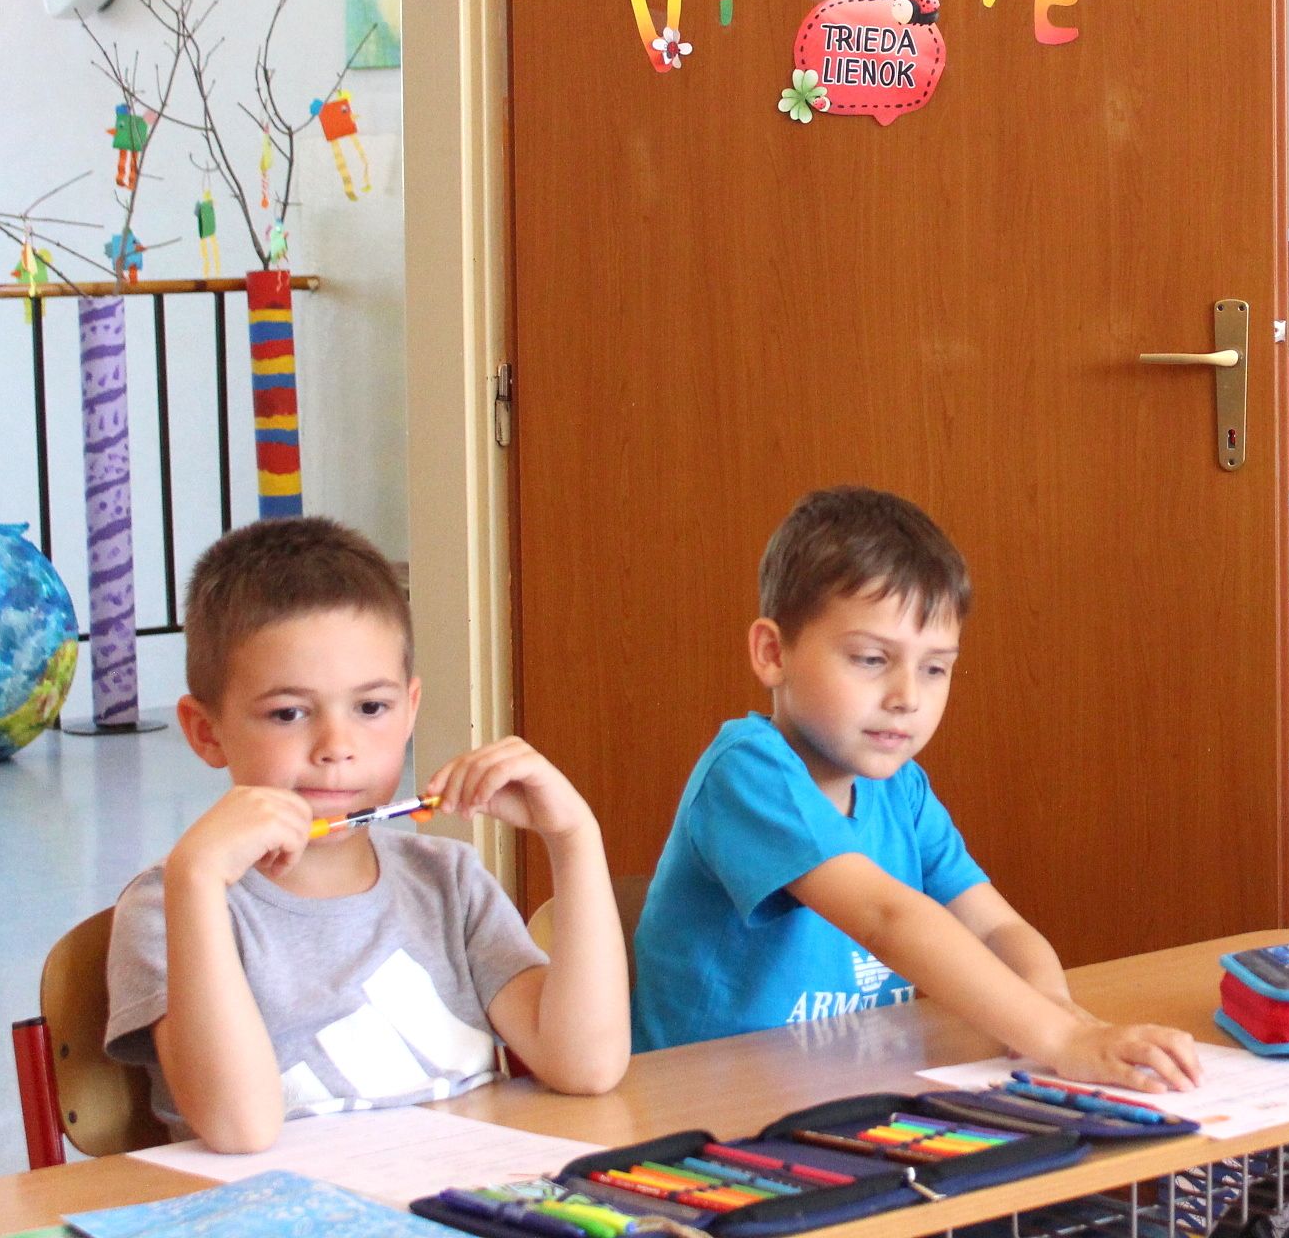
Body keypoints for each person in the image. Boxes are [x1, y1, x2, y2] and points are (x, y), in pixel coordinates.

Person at [635, 485, 1202, 1092]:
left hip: (845, 1093)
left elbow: (996, 929)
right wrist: (1060, 1041)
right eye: (871, 659)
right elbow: (885, 916)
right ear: (773, 653)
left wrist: (1053, 1009)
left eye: (934, 668)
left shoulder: (900, 789)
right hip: (708, 1110)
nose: (907, 696)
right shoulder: (747, 771)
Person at [105, 517, 627, 1151]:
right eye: (288, 713)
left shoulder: (449, 882)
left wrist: (574, 837)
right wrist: (197, 880)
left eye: (371, 708)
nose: (337, 746)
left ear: (409, 710)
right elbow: (239, 1129)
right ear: (206, 732)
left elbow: (586, 1066)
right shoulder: (169, 906)